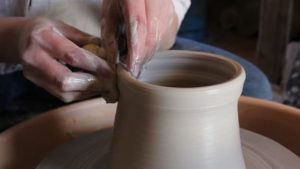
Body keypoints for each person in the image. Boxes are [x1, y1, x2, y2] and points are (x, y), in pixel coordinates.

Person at [0, 0, 191, 104]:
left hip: (114, 57)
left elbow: (169, 24)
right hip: (7, 60)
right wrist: (15, 36)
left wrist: (149, 22)